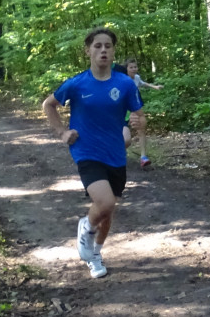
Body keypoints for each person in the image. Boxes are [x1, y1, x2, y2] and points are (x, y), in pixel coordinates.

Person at [42, 28, 142, 279]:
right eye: (97, 46)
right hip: (86, 150)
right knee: (105, 203)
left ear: (113, 51)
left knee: (108, 212)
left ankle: (95, 253)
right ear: (88, 51)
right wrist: (62, 133)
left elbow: (138, 115)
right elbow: (49, 105)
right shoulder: (77, 84)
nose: (103, 50)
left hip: (115, 153)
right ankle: (86, 228)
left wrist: (137, 127)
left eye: (107, 46)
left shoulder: (125, 84)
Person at [124, 57, 163, 168]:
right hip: (123, 109)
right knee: (124, 135)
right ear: (126, 69)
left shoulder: (136, 78)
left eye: (135, 67)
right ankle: (115, 153)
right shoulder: (122, 79)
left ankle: (143, 157)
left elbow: (142, 83)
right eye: (131, 67)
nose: (134, 69)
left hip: (136, 107)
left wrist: (155, 87)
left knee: (141, 130)